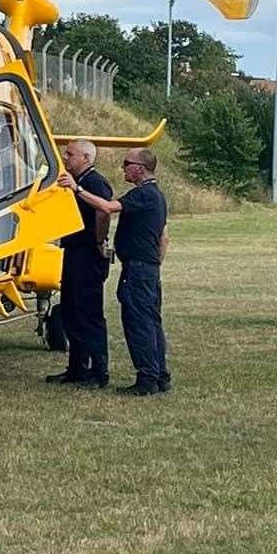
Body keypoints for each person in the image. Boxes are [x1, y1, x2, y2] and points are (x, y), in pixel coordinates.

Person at [60, 147, 170, 397]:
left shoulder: (143, 194)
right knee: (151, 322)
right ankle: (159, 375)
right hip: (147, 269)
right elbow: (164, 237)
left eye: (126, 163)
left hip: (138, 269)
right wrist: (155, 264)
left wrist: (77, 189)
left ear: (139, 168)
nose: (123, 167)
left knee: (139, 323)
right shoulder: (156, 196)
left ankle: (147, 379)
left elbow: (107, 208)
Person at [46, 140, 113, 388]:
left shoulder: (95, 183)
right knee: (72, 311)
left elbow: (103, 212)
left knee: (89, 314)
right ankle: (76, 368)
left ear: (86, 157)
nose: (65, 157)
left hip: (87, 254)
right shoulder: (73, 183)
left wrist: (99, 240)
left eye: (70, 154)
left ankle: (99, 371)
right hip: (73, 252)